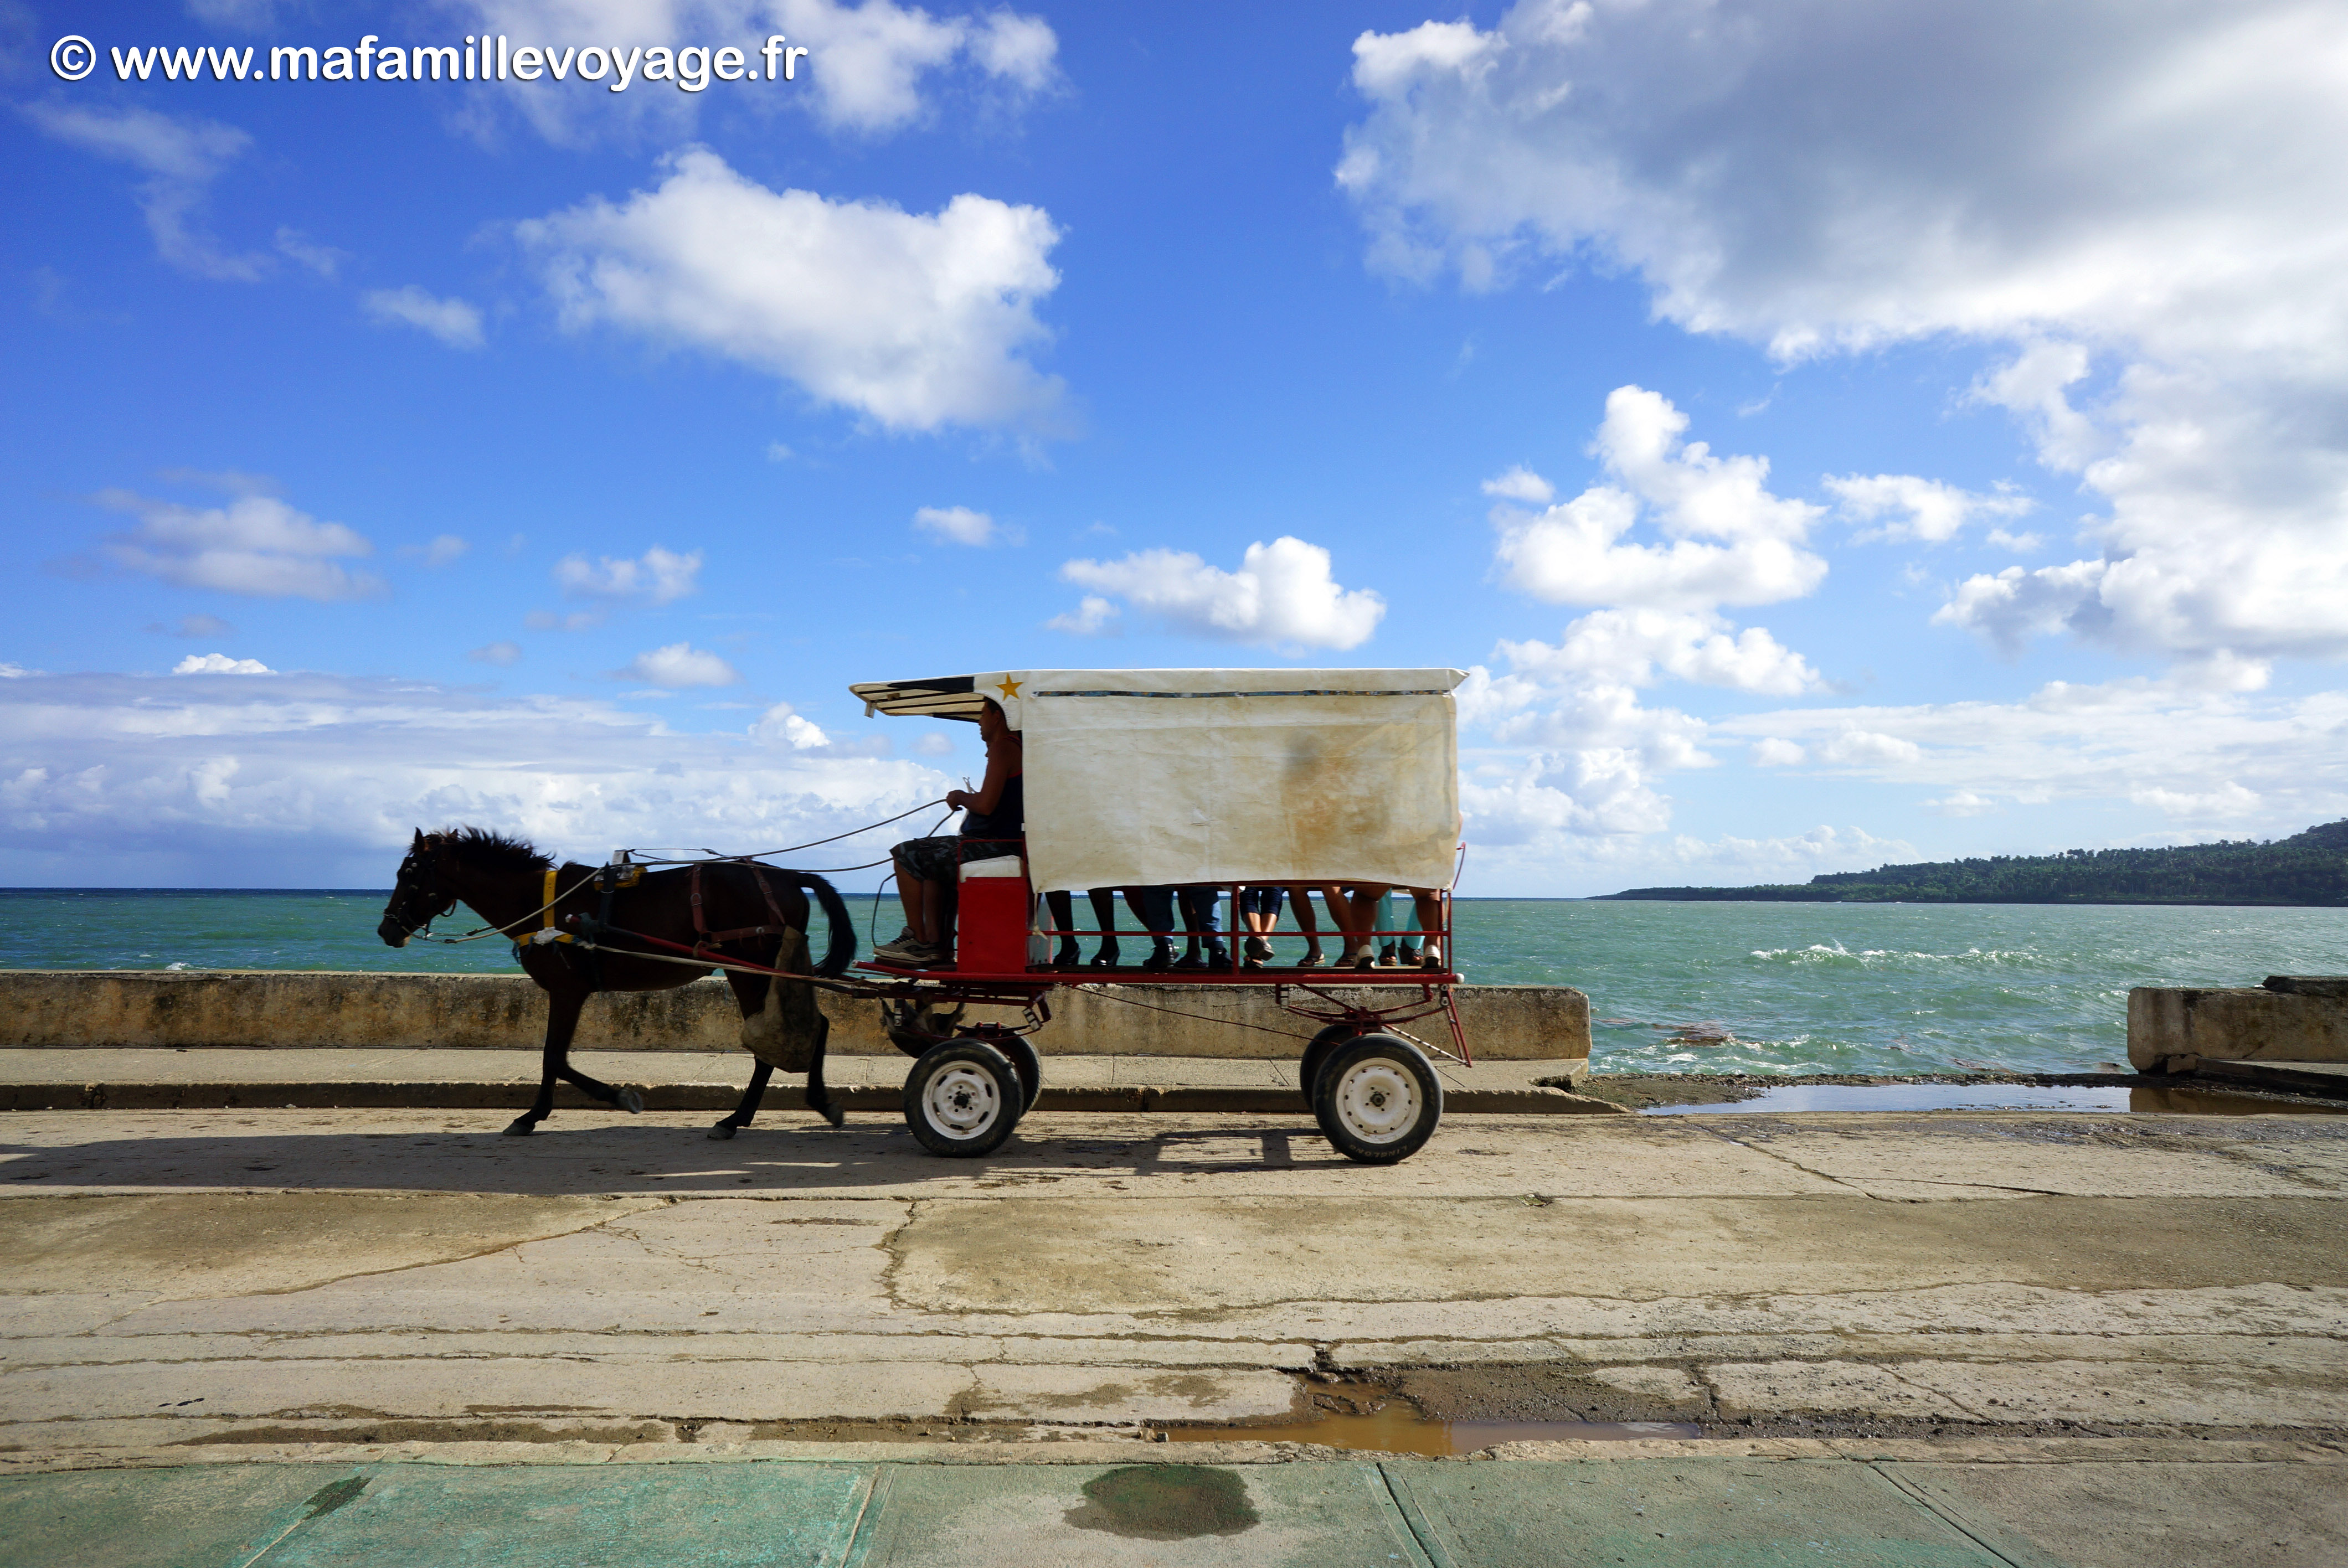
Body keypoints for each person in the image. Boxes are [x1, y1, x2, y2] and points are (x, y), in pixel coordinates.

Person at [875, 699, 1022, 967]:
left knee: (905, 853)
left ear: (997, 717)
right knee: (931, 866)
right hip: (1005, 844)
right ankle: (937, 946)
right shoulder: (1015, 749)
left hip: (996, 846)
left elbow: (986, 806)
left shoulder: (1004, 748)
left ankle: (917, 939)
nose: (979, 722)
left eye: (982, 714)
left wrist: (960, 796)